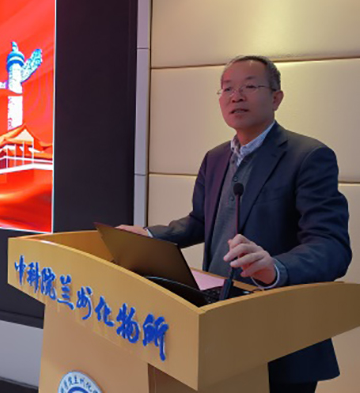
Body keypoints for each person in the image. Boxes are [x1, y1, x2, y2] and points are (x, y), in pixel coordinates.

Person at [122, 55, 351, 393]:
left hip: (281, 335)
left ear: (276, 97)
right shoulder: (216, 158)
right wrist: (149, 234)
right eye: (227, 88)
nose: (236, 96)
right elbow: (200, 221)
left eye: (249, 86)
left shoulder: (308, 156)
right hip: (219, 326)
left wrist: (276, 268)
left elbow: (331, 245)